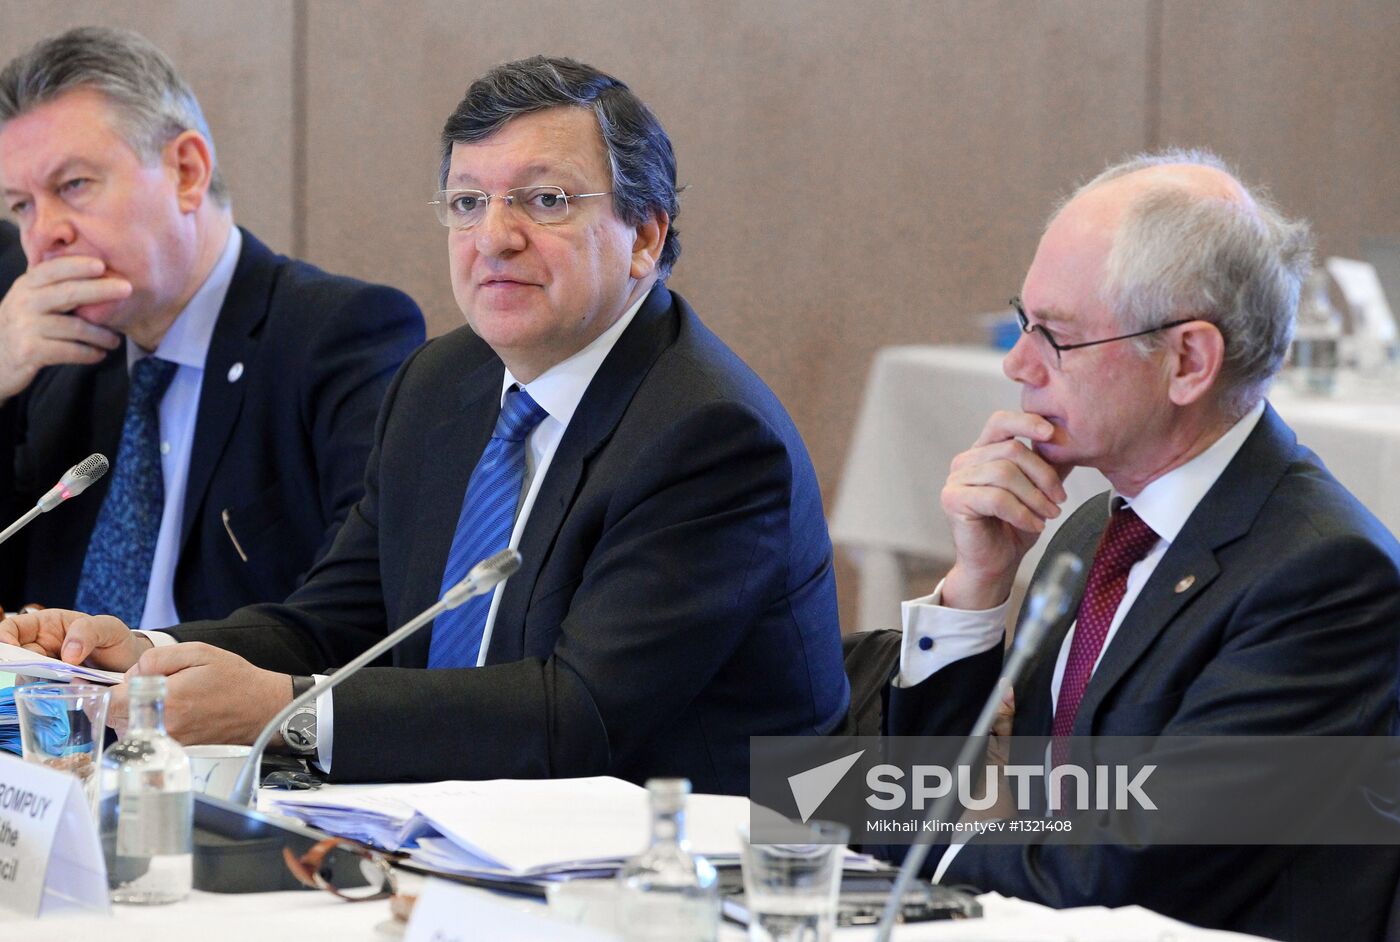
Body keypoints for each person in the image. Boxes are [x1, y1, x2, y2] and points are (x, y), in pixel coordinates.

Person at [1, 56, 848, 795]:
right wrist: (142, 652)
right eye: (467, 202)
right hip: (465, 829)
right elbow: (336, 617)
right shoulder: (446, 381)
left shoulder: (707, 435)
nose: (495, 238)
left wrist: (285, 710)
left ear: (644, 235)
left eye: (544, 200)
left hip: (699, 864)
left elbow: (579, 713)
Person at [885, 150, 1400, 941]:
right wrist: (978, 583)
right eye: (1023, 322)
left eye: (1055, 335)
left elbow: (1113, 872)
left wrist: (913, 847)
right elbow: (917, 788)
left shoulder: (1324, 576)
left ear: (1189, 361)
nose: (1016, 363)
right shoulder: (1095, 533)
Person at [0, 27, 424, 627]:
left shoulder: (338, 337)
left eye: (73, 186)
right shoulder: (58, 366)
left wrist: (154, 664)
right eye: (22, 205)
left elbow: (365, 595)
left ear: (187, 172)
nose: (43, 234)